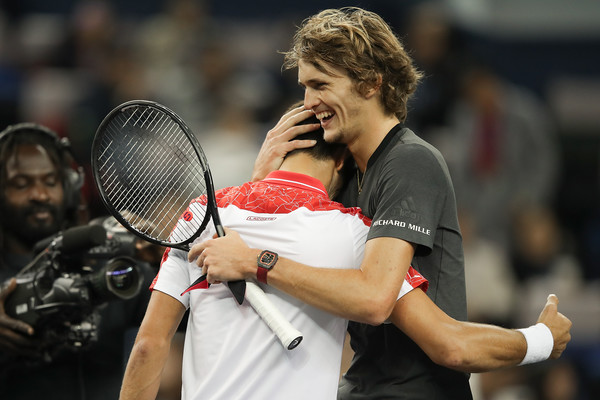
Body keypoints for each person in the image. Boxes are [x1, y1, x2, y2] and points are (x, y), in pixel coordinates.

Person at [191, 8, 570, 399]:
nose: (308, 102)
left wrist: (541, 340)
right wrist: (262, 179)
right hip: (362, 386)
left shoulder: (411, 162)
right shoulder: (343, 173)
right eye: (305, 86)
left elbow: (377, 300)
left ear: (371, 83)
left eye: (320, 85)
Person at [119, 113, 430, 400]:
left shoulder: (200, 213)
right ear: (342, 160)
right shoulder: (356, 232)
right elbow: (448, 344)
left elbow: (149, 345)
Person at [0, 123, 154, 400]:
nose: (40, 195)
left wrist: (164, 261)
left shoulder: (108, 263)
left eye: (50, 182)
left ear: (70, 188)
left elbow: (193, 318)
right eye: (21, 184)